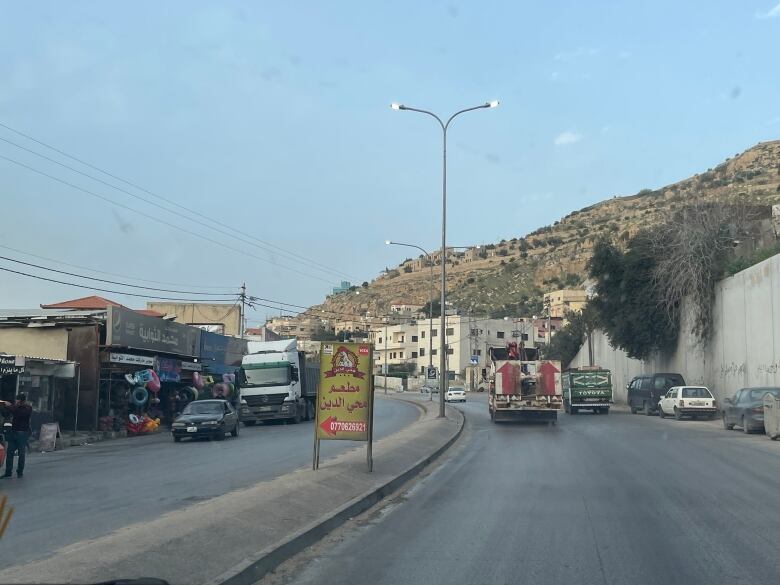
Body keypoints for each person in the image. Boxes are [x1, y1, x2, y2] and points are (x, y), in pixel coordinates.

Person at [1, 393, 33, 479]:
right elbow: (7, 413)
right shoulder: (15, 407)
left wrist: (10, 406)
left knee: (21, 453)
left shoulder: (27, 408)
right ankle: (8, 472)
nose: (16, 401)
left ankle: (20, 471)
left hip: (22, 433)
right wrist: (5, 406)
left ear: (21, 401)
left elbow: (19, 413)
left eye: (17, 400)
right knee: (10, 452)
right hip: (13, 432)